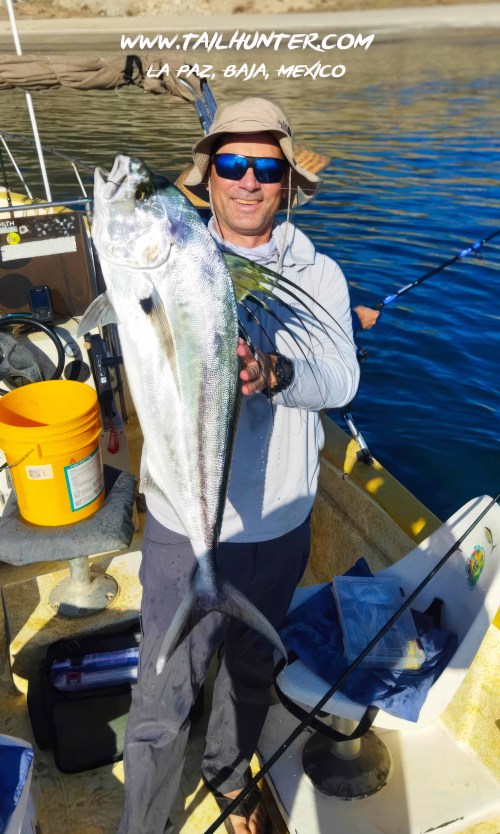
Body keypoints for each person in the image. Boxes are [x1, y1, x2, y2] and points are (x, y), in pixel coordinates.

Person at [117, 97, 360, 834]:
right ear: (209, 177)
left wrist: (277, 373)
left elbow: (341, 380)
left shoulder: (320, 277)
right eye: (231, 163)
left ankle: (227, 776)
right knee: (161, 697)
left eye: (266, 167)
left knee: (251, 677)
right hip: (181, 526)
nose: (248, 180)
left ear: (286, 183)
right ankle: (145, 825)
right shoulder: (166, 257)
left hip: (278, 527)